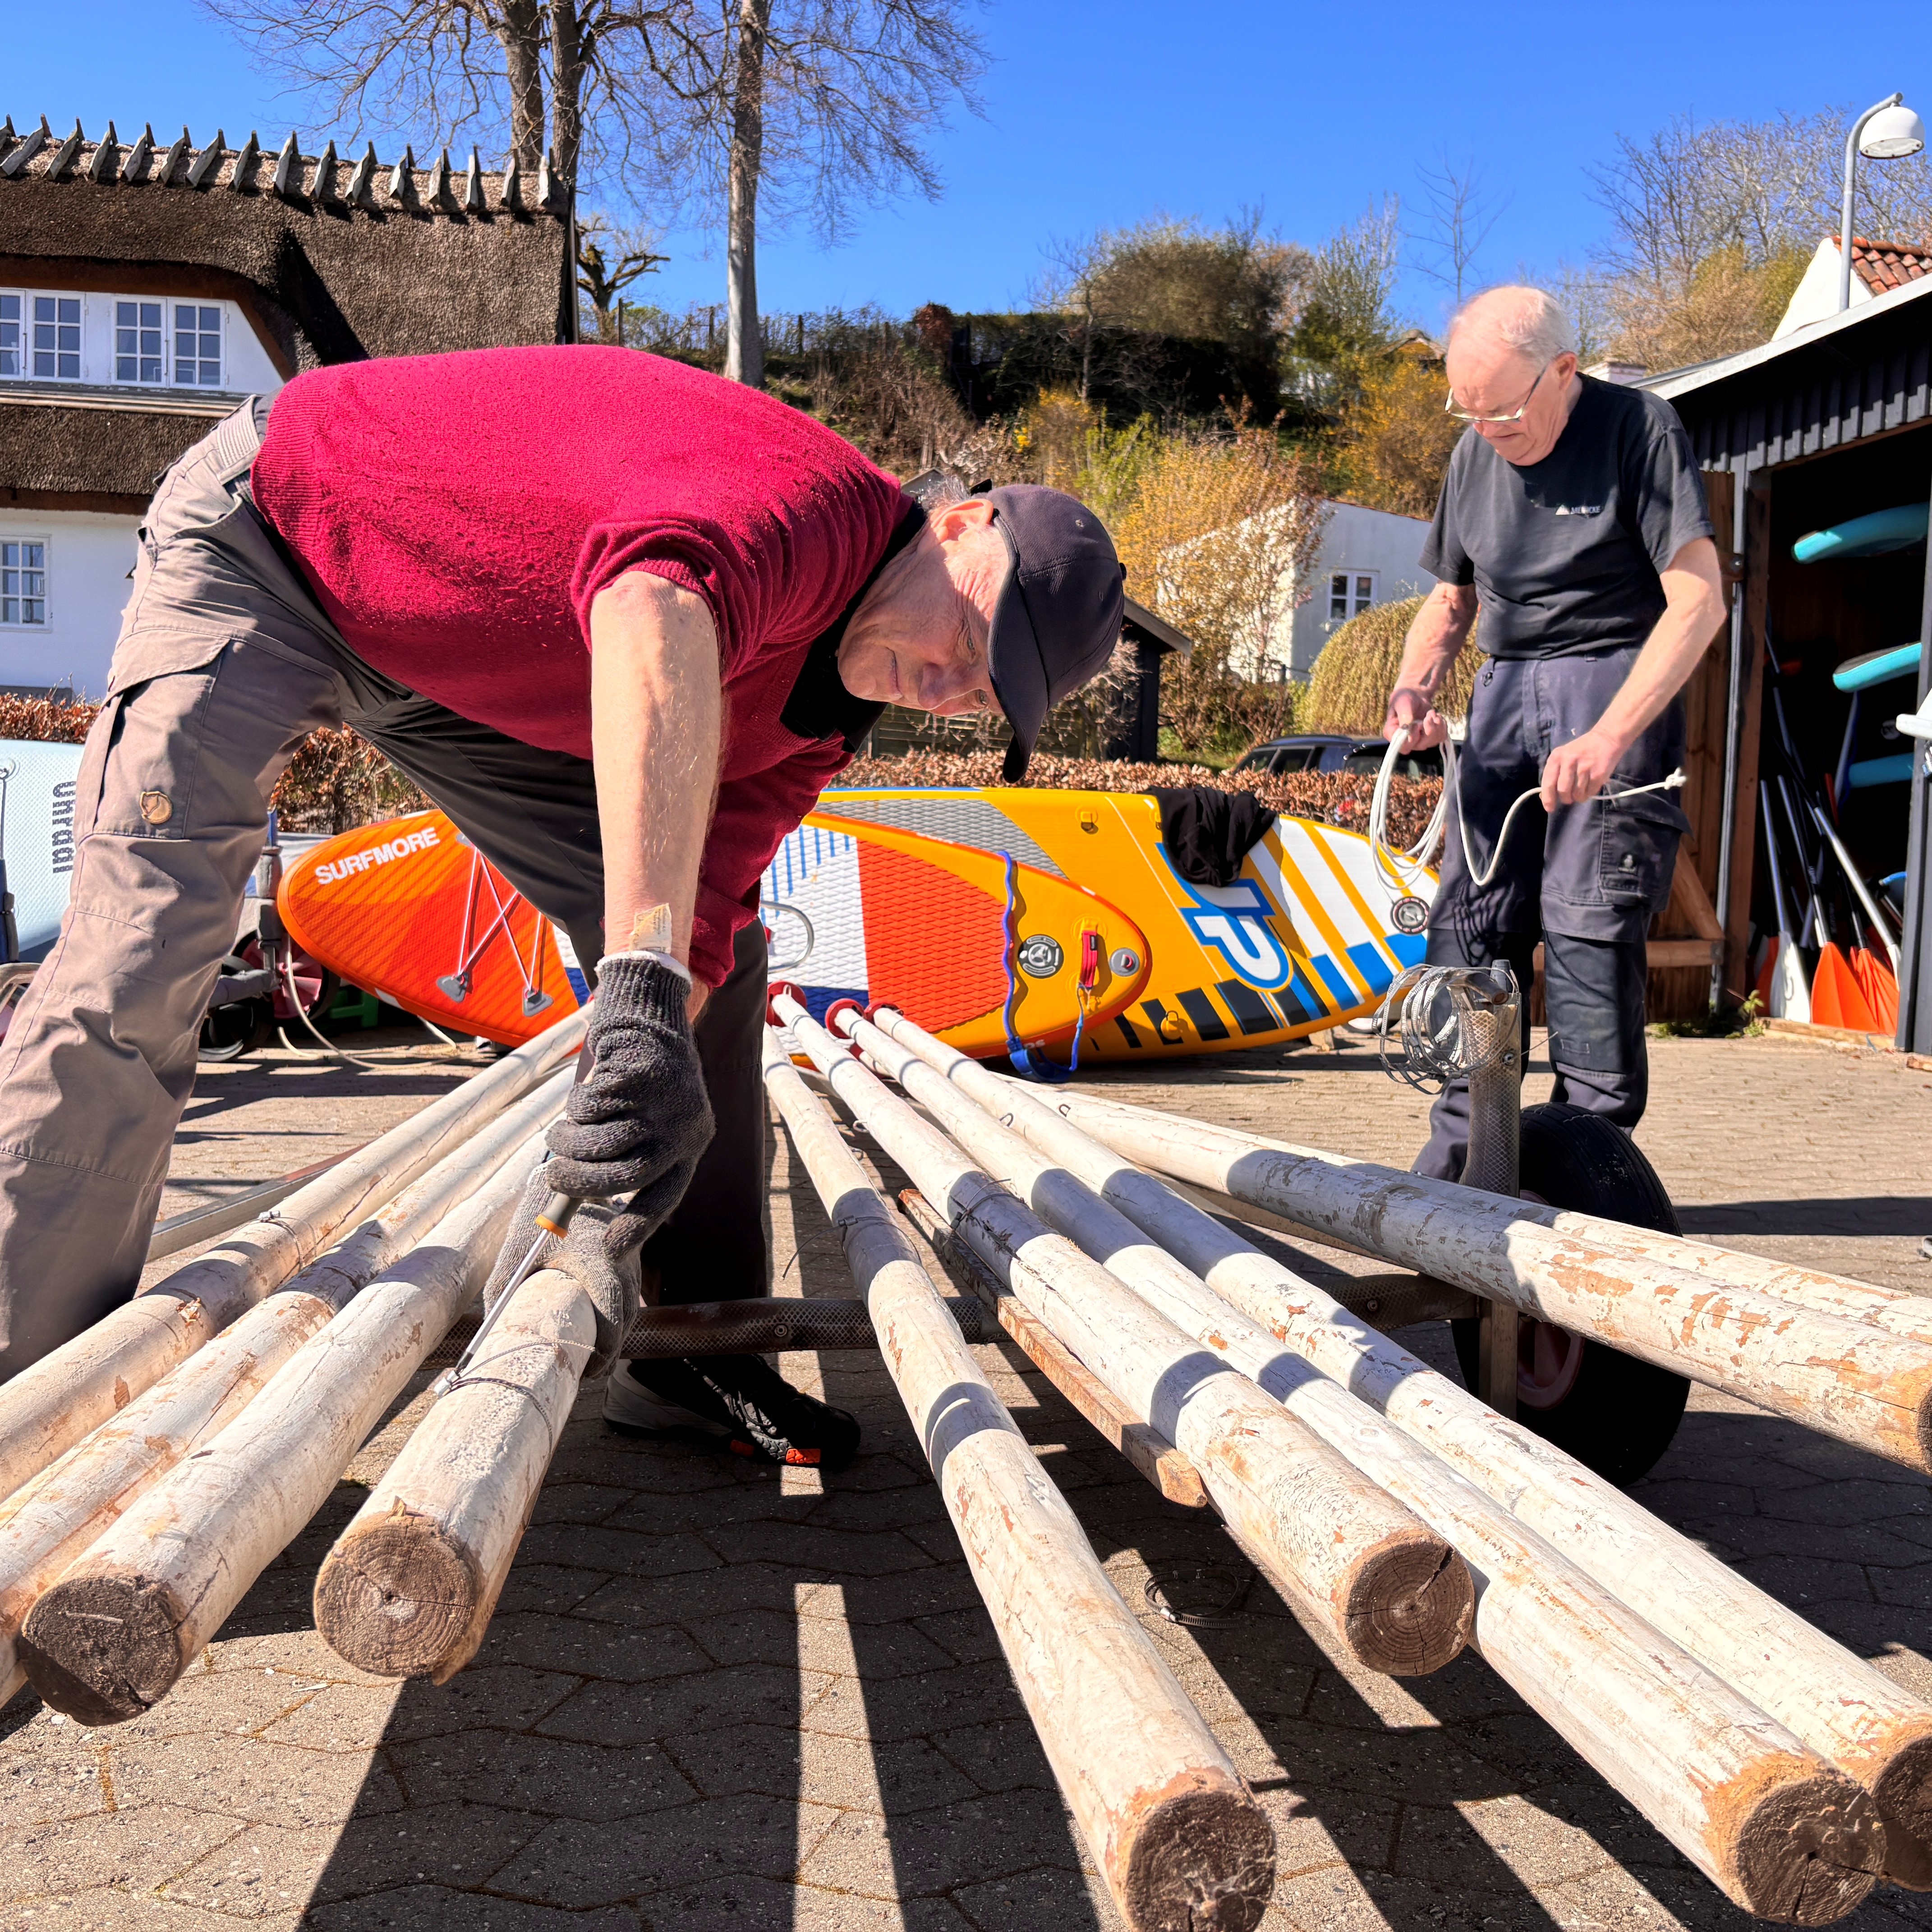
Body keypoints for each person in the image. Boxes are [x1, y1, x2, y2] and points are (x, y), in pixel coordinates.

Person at [0, 346, 1125, 1466]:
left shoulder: (822, 721)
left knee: (716, 956)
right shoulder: (811, 506)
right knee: (139, 962)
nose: (944, 687)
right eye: (969, 641)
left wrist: (634, 1090)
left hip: (446, 665)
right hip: (277, 545)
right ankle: (25, 1414)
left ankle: (690, 1349)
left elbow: (699, 906)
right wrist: (635, 984)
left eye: (978, 695)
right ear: (961, 524)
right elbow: (652, 603)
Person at [1383, 287, 1727, 1182]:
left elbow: (1698, 598)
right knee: (1470, 928)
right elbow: (1452, 598)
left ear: (1564, 372)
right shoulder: (1472, 454)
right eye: (1470, 410)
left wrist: (1612, 735)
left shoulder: (1637, 429)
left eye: (1503, 409)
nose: (1488, 428)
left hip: (1612, 677)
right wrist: (1415, 688)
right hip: (1504, 695)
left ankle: (1585, 1163)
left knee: (1585, 929)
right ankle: (1469, 1157)